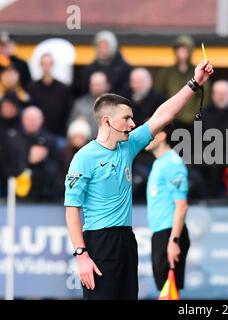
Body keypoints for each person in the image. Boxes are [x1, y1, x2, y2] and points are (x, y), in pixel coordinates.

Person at [64, 60, 213, 300]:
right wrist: (81, 254)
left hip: (126, 240)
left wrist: (194, 83)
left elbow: (164, 114)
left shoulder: (128, 145)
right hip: (100, 241)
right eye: (127, 118)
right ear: (107, 121)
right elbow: (72, 211)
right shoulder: (84, 158)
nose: (133, 124)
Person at [145, 124, 190, 294]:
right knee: (165, 291)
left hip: (169, 234)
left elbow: (182, 205)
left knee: (169, 290)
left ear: (162, 135)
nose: (146, 137)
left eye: (150, 132)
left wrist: (174, 241)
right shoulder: (159, 163)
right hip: (161, 233)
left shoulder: (172, 163)